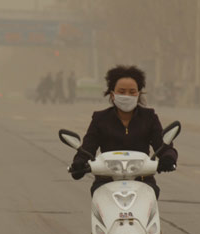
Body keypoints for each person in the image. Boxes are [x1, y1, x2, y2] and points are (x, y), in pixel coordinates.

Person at [69, 65, 178, 199]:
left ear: (138, 94)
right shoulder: (100, 119)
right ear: (112, 94)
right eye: (122, 91)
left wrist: (168, 158)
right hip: (106, 182)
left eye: (132, 92)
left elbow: (164, 146)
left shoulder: (149, 117)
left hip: (143, 182)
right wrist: (79, 162)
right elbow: (87, 148)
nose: (127, 95)